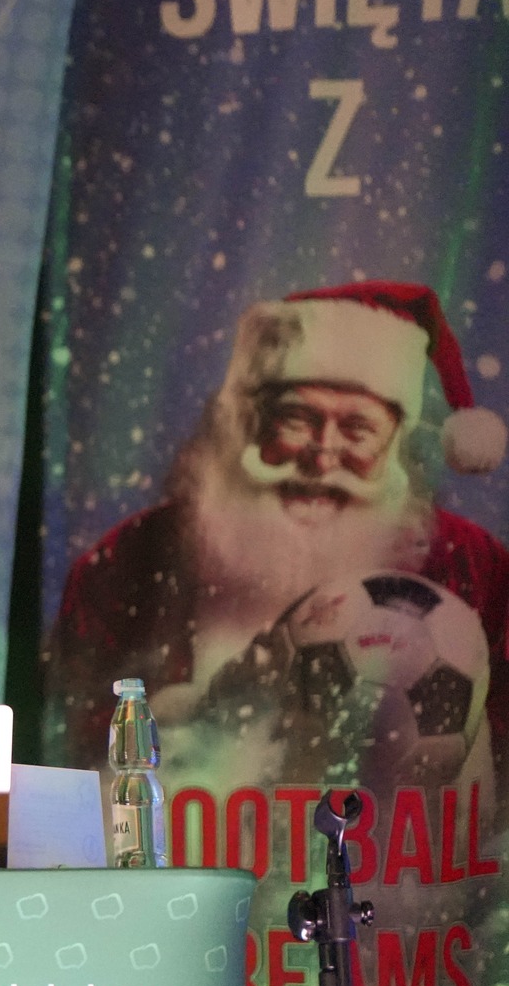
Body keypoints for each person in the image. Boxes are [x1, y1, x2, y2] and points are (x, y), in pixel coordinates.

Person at [47, 280, 509, 770]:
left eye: (358, 430)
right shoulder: (126, 562)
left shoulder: (472, 566)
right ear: (247, 421)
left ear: (397, 440)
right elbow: (73, 742)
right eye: (296, 420)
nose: (322, 454)